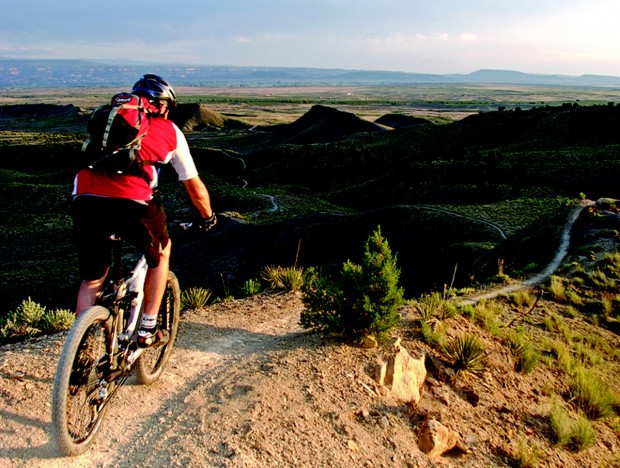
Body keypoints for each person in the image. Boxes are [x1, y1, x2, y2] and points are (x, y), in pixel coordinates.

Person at [71, 74, 216, 347]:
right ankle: (148, 328)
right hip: (134, 202)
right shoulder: (169, 130)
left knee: (92, 280)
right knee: (161, 253)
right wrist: (208, 217)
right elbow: (194, 187)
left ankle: (81, 350)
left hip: (85, 199)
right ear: (162, 105)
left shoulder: (108, 123)